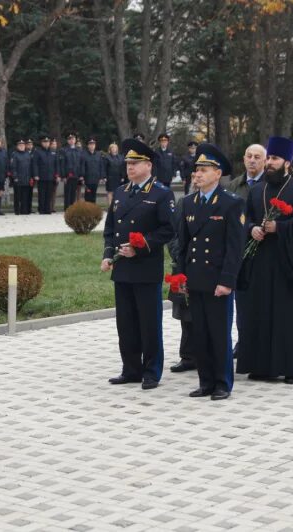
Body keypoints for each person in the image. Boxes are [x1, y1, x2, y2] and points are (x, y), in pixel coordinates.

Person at [236, 136, 293, 384]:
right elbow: (244, 218)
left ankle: (291, 367)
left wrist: (280, 228)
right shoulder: (257, 190)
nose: (269, 163)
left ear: (287, 163)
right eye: (269, 158)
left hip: (287, 265)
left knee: (286, 316)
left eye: (274, 159)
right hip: (259, 264)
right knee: (258, 312)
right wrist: (252, 229)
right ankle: (259, 366)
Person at [101, 139, 176, 390]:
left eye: (135, 163)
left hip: (145, 267)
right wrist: (108, 253)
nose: (129, 168)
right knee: (126, 322)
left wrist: (141, 245)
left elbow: (169, 229)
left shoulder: (161, 193)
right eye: (128, 164)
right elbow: (111, 227)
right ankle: (130, 369)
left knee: (148, 322)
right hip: (122, 268)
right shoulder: (122, 192)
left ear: (148, 165)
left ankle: (151, 371)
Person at [177, 144, 244, 400]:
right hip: (195, 279)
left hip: (217, 281)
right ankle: (205, 382)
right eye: (196, 170)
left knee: (218, 333)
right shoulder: (189, 202)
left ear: (218, 174)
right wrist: (181, 277)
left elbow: (234, 248)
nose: (197, 175)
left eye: (203, 170)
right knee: (200, 333)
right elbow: (183, 245)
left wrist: (227, 281)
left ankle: (222, 383)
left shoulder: (231, 203)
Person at [225, 143, 267, 357]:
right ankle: (243, 342)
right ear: (243, 159)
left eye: (257, 157)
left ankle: (262, 344)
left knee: (263, 302)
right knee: (241, 302)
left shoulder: (271, 185)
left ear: (264, 161)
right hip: (240, 252)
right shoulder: (234, 186)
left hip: (266, 252)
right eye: (249, 156)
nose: (252, 160)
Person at [168, 185, 199, 373]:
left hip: (206, 266)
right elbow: (172, 233)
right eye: (197, 172)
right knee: (185, 314)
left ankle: (206, 354)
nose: (199, 177)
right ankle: (188, 356)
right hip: (183, 264)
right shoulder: (183, 203)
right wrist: (178, 253)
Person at [32, 134, 57, 215]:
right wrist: (36, 174)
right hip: (41, 176)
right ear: (41, 143)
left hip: (50, 176)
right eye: (44, 142)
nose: (46, 143)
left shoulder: (53, 152)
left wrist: (56, 175)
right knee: (42, 194)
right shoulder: (37, 151)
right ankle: (41, 209)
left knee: (49, 193)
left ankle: (48, 209)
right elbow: (35, 164)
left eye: (48, 142)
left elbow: (56, 164)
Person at [60, 133, 82, 209]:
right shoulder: (64, 150)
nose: (71, 141)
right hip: (67, 174)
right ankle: (67, 208)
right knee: (67, 192)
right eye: (70, 139)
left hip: (76, 174)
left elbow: (80, 163)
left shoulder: (79, 150)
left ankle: (72, 208)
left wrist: (80, 174)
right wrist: (63, 176)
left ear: (75, 140)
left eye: (73, 139)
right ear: (67, 141)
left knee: (73, 192)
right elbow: (62, 164)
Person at [79, 137, 104, 203]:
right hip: (88, 178)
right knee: (88, 195)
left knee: (94, 195)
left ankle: (93, 210)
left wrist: (101, 177)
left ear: (95, 145)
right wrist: (82, 176)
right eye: (90, 144)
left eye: (93, 144)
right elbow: (82, 166)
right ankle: (87, 210)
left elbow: (101, 166)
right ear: (88, 145)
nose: (92, 146)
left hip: (96, 178)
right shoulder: (84, 154)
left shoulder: (98, 154)